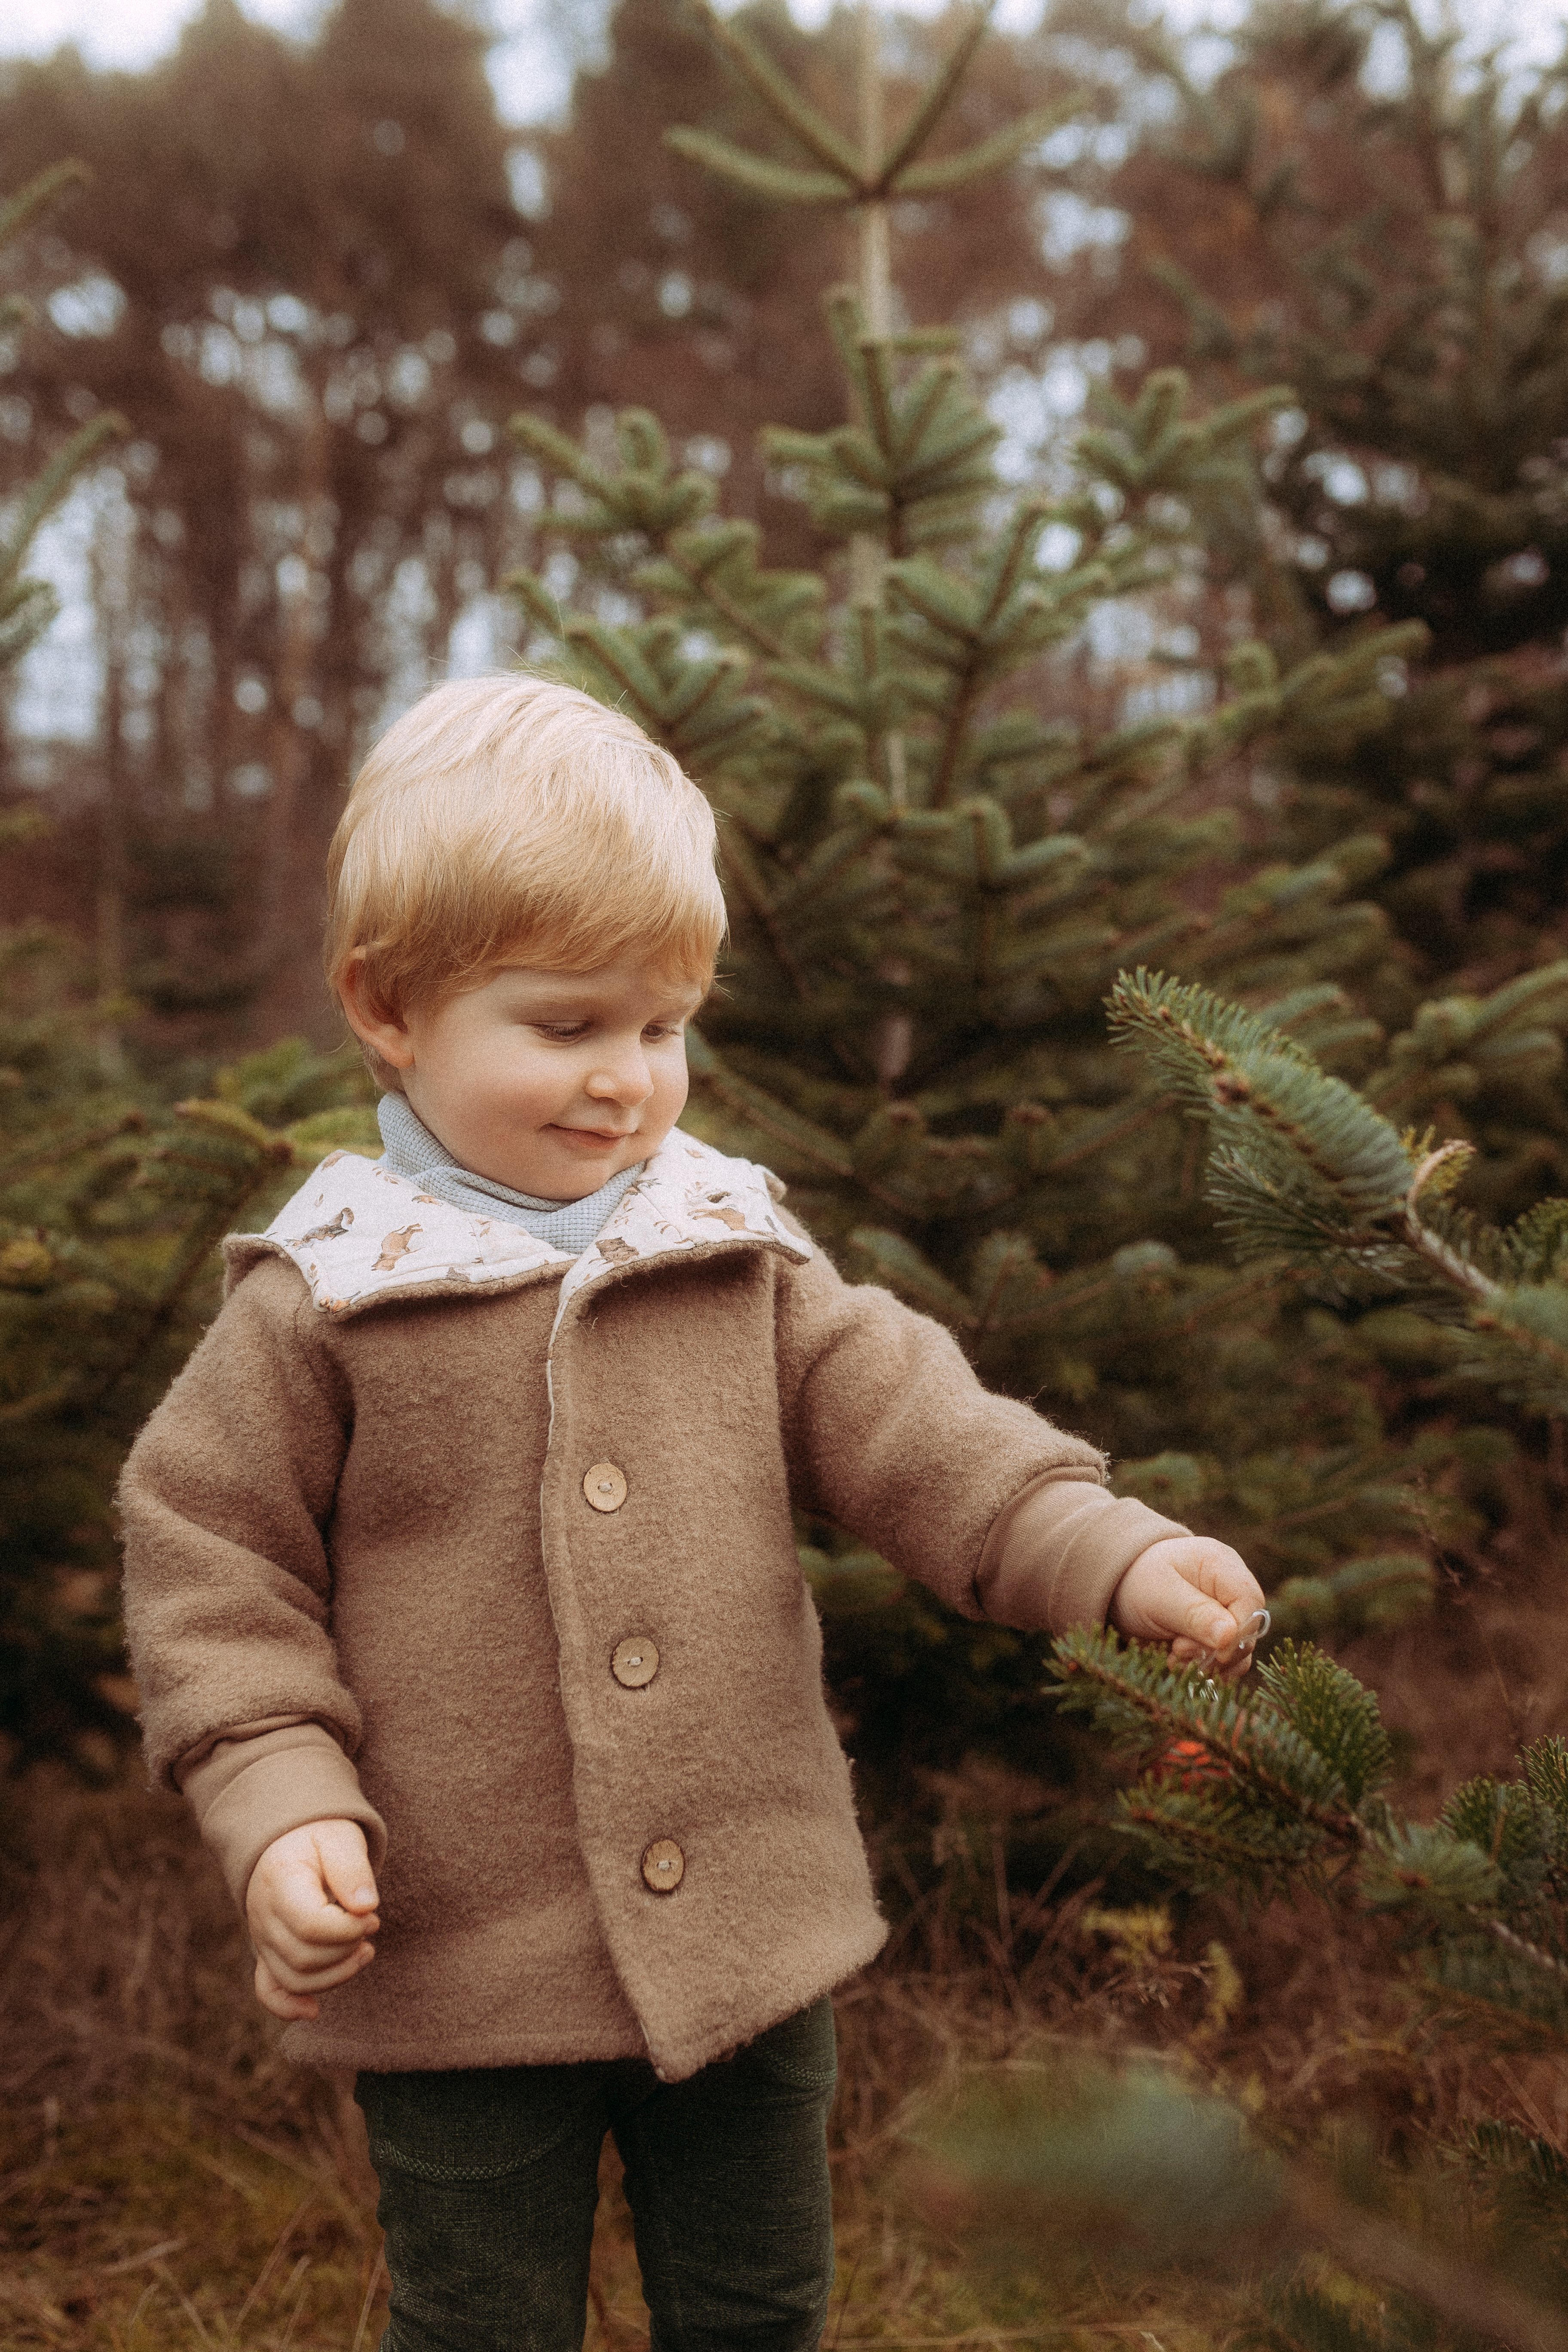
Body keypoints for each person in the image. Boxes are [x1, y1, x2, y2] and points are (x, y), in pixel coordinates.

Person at [119, 674, 1267, 2352]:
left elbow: (924, 1435)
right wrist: (280, 1799)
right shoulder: (329, 1299)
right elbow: (211, 1560)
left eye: (663, 1029)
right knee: (480, 2321)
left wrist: (1112, 1554)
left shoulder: (733, 1252)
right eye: (566, 1026)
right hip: (449, 1958)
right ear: (388, 1006)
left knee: (756, 2307)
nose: (626, 1082)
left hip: (748, 1938)